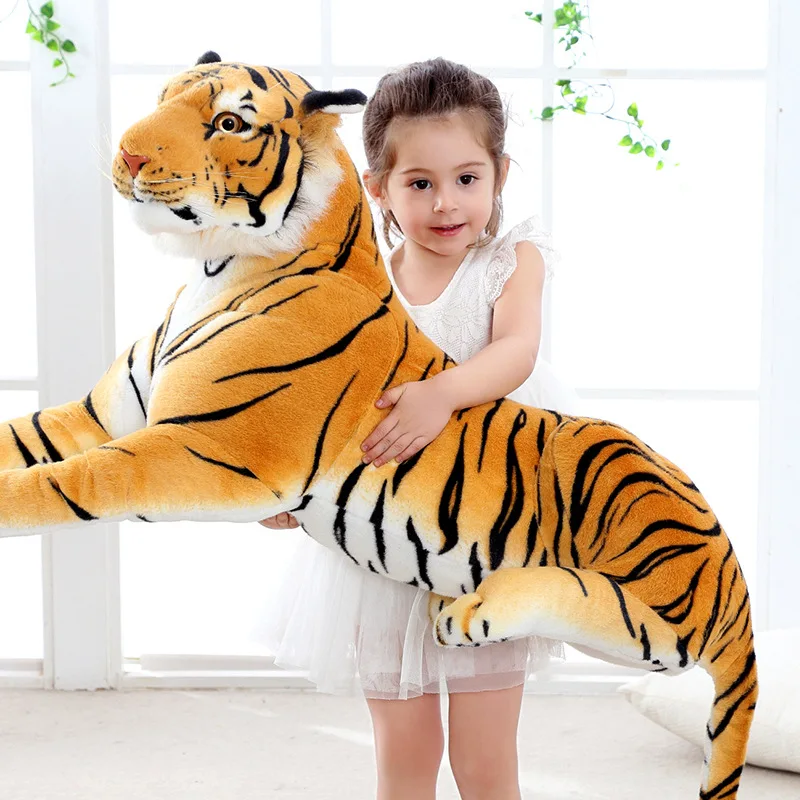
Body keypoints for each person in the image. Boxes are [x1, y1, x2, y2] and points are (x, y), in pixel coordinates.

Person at [257, 57, 579, 800]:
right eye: (420, 183)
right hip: (380, 543)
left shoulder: (511, 261)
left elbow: (515, 351)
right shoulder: (357, 280)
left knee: (485, 762)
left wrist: (440, 394)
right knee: (403, 760)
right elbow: (321, 394)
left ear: (500, 174)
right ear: (378, 188)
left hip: (485, 537)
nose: (446, 203)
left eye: (467, 178)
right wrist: (289, 484)